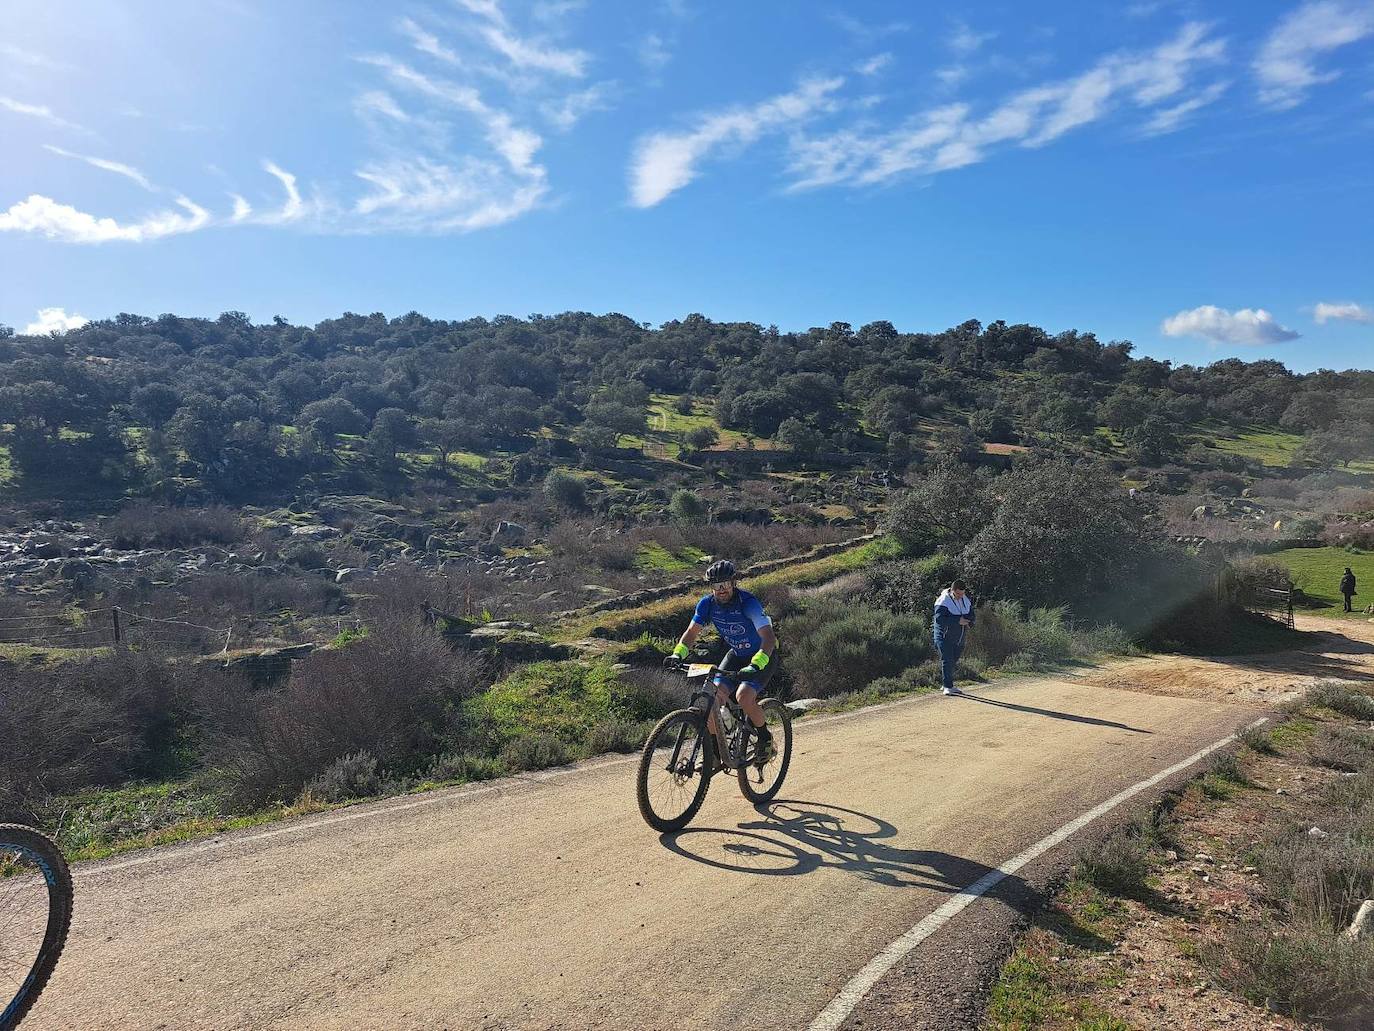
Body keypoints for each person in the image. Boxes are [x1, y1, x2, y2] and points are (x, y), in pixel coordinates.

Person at [666, 559, 779, 762]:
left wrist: (757, 663)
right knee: (711, 699)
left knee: (744, 696)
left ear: (733, 583)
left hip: (762, 656)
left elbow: (768, 637)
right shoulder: (707, 604)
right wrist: (678, 654)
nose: (721, 590)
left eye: (725, 584)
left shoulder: (748, 602)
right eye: (716, 586)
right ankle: (717, 753)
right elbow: (691, 633)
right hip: (736, 654)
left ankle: (764, 738)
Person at [933, 579, 975, 696]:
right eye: (958, 594)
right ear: (952, 591)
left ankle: (946, 682)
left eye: (962, 594)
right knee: (948, 659)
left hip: (959, 637)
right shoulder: (943, 601)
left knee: (954, 659)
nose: (961, 596)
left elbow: (971, 614)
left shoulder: (965, 599)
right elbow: (939, 619)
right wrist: (957, 620)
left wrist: (970, 622)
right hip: (943, 636)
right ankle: (948, 686)